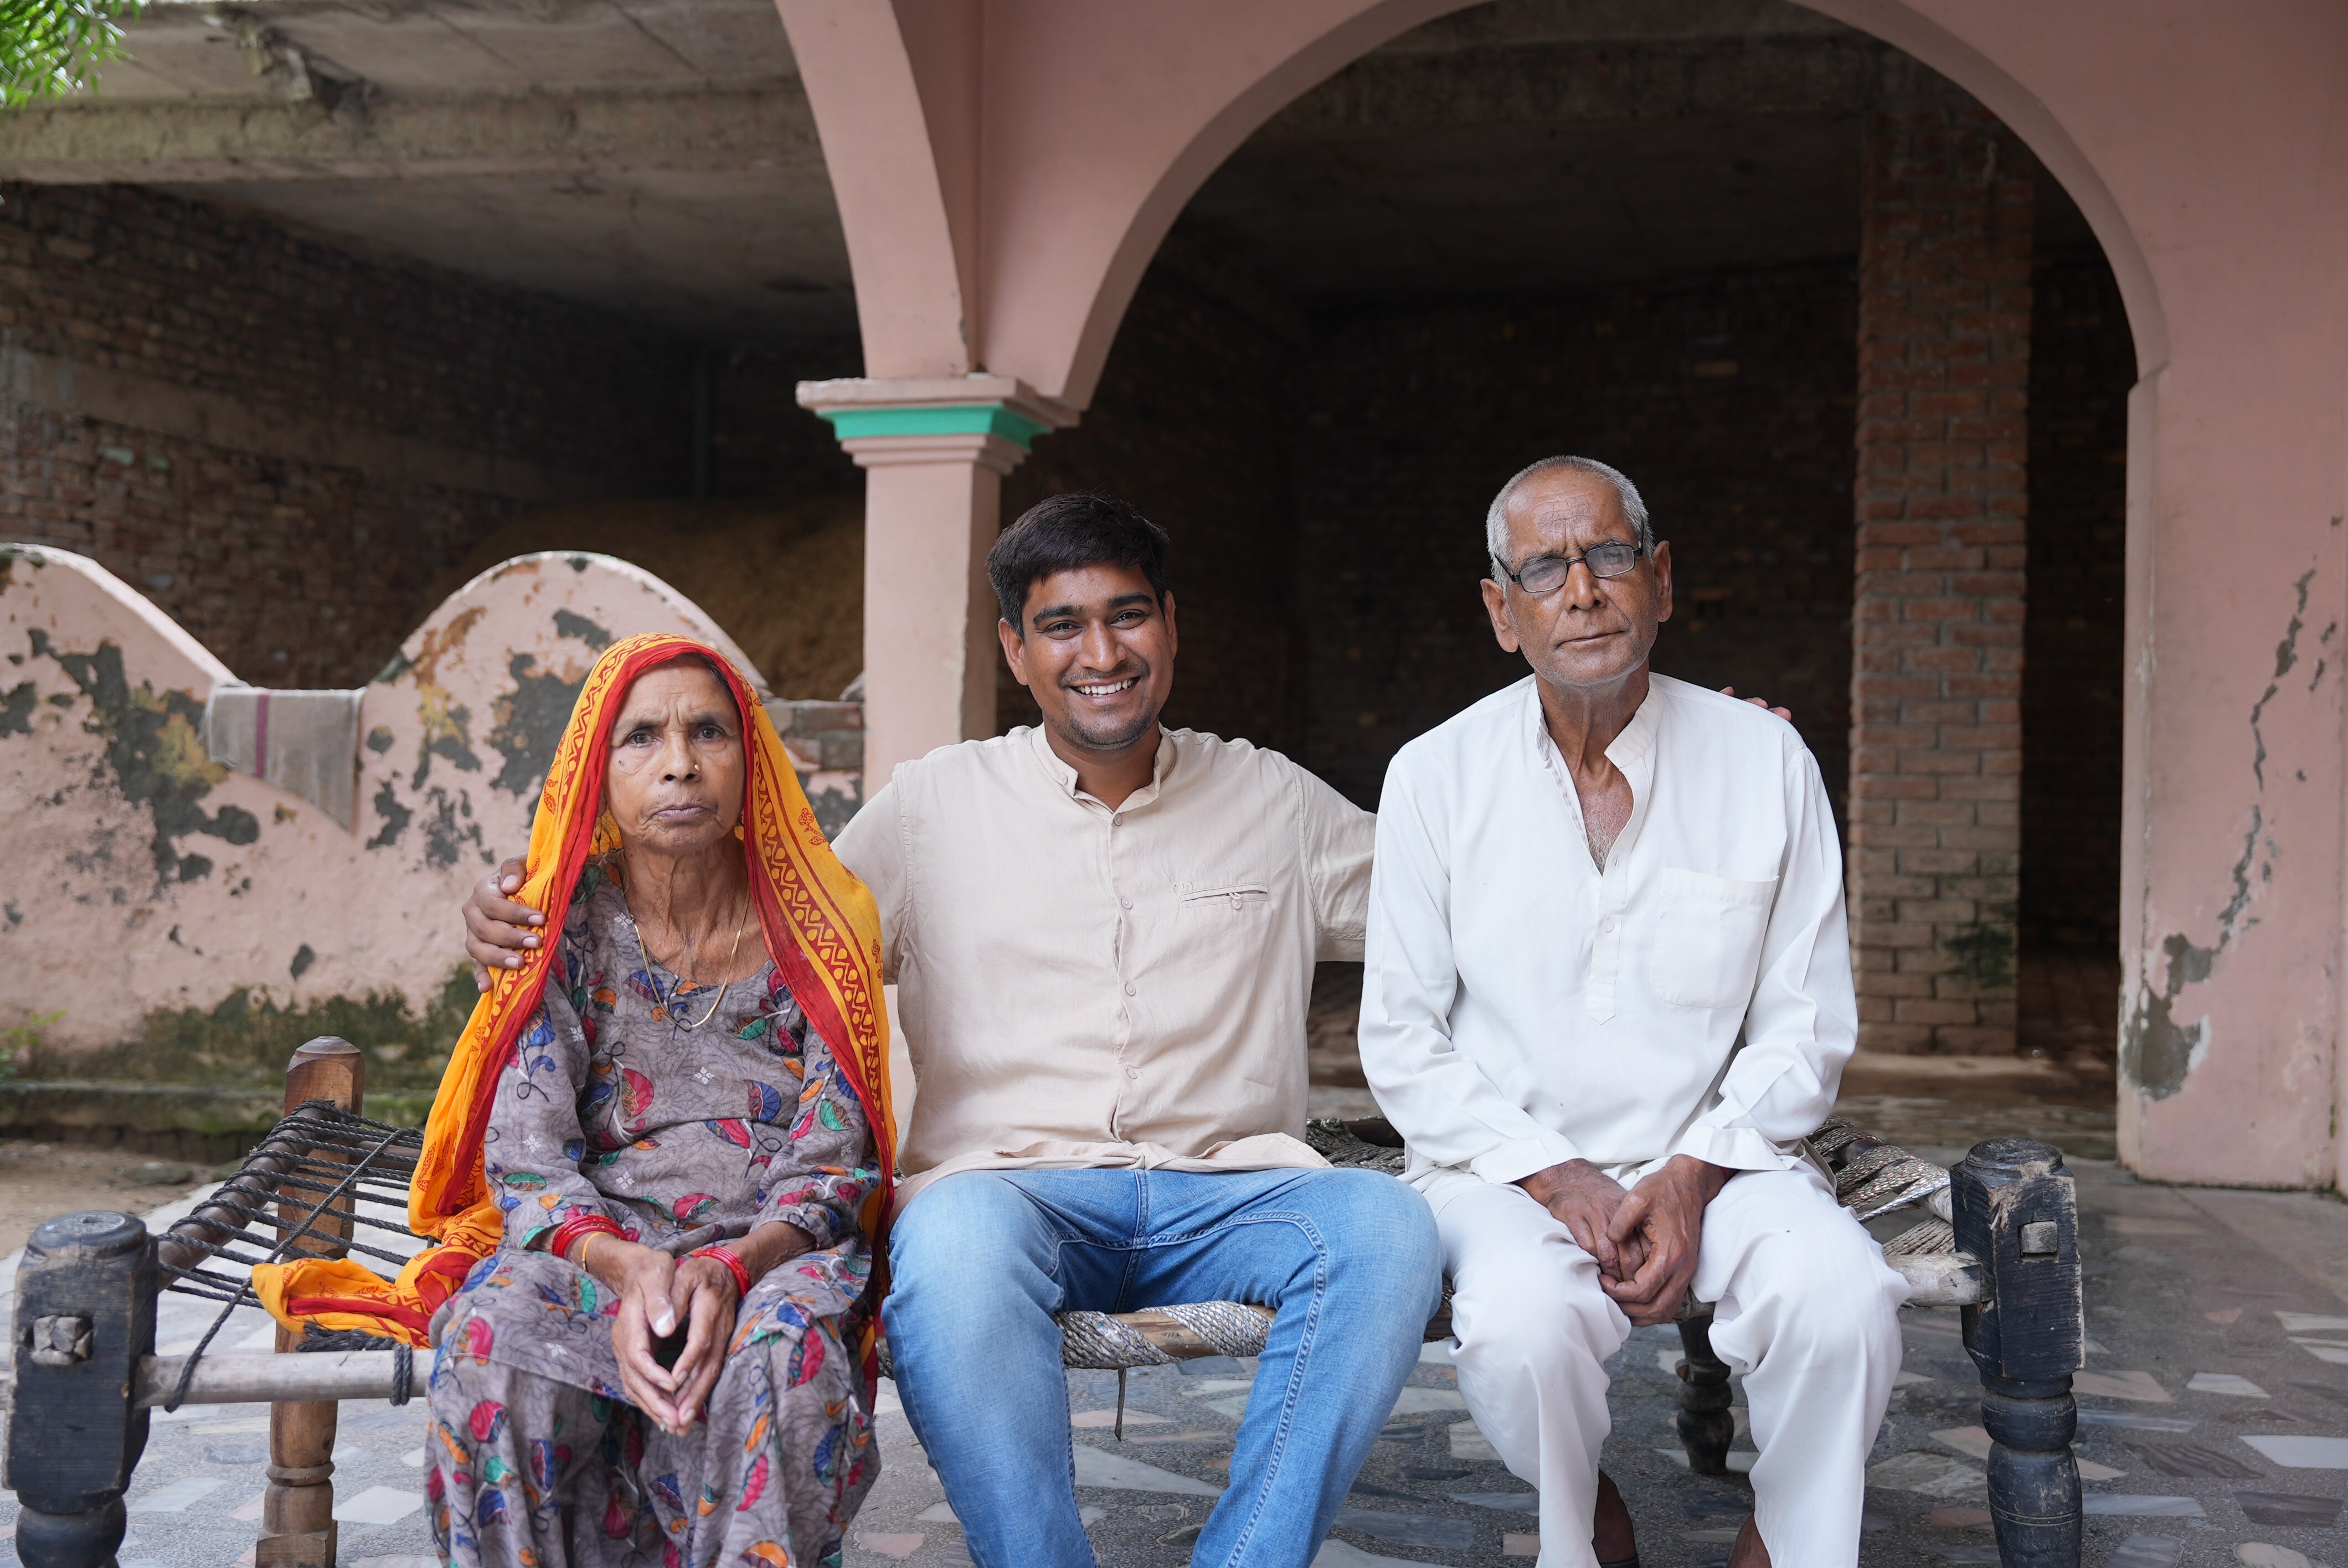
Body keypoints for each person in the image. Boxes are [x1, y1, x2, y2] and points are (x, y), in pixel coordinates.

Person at [470, 496, 1440, 1568]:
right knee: (950, 1247)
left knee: (1385, 1229)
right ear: (1013, 649)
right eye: (1063, 626)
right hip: (1005, 1197)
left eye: (1128, 617)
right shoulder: (931, 807)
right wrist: (525, 921)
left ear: (1170, 625)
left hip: (1232, 1189)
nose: (1102, 653)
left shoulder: (1274, 798)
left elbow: (1455, 908)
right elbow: (773, 937)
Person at [1358, 456, 1906, 1568]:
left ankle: (1785, 1543)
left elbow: (1805, 1027)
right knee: (1520, 1332)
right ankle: (1587, 1521)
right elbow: (1401, 1040)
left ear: (1657, 579)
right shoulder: (1433, 777)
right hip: (1504, 1169)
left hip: (1721, 1155)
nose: (1582, 590)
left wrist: (1690, 1173)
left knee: (1838, 1298)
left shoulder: (1766, 762)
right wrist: (1558, 1177)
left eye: (1608, 557)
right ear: (1499, 612)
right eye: (1543, 569)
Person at [265, 633, 896, 1567]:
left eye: (708, 732)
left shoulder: (822, 924)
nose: (679, 763)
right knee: (486, 1339)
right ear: (593, 775)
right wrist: (628, 1268)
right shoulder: (556, 926)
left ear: (751, 758)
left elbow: (836, 1163)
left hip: (769, 1257)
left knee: (782, 1359)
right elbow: (527, 1153)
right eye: (640, 738)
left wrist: (731, 1266)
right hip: (593, 1249)